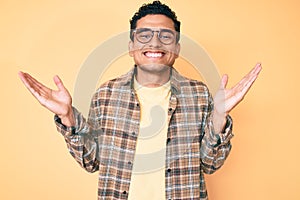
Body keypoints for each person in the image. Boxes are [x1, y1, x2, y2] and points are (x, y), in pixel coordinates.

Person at [18, 1, 262, 199]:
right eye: (144, 35)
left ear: (176, 47)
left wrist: (219, 117)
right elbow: (91, 162)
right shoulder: (106, 95)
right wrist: (68, 118)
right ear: (131, 45)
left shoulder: (198, 94)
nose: (155, 42)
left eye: (165, 36)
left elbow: (210, 164)